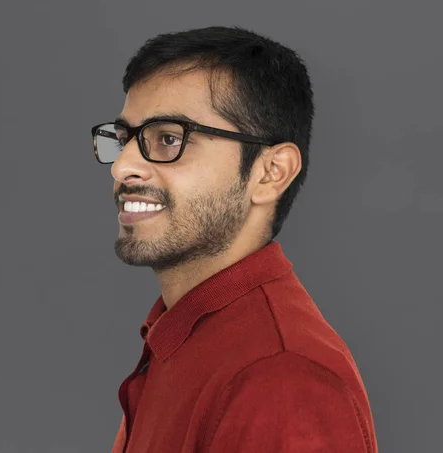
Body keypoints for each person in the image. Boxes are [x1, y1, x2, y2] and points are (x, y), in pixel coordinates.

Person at [91, 26, 378, 453]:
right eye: (123, 139)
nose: (123, 167)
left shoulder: (282, 379)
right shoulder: (182, 337)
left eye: (169, 138)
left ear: (271, 172)